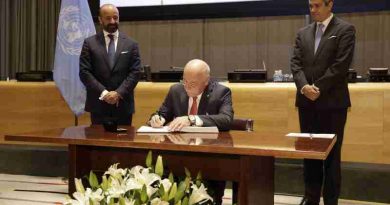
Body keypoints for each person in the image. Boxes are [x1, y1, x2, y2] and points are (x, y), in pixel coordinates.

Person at [290, 0, 355, 205]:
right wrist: (304, 87)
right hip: (306, 103)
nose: (313, 10)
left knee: (331, 157)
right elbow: (295, 64)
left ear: (330, 5)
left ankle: (330, 201)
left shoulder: (345, 29)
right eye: (310, 6)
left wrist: (316, 88)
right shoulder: (303, 33)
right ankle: (310, 198)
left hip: (332, 104)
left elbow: (340, 66)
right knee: (309, 155)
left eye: (318, 6)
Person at [149, 59, 234, 205]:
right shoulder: (176, 90)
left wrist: (192, 119)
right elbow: (161, 113)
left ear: (206, 82)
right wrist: (157, 119)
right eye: (184, 80)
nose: (187, 86)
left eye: (193, 83)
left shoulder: (221, 92)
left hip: (208, 158)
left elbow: (226, 120)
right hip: (178, 157)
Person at [79, 4, 141, 125]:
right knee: (98, 143)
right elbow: (84, 72)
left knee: (123, 143)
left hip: (123, 107)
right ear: (100, 20)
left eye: (115, 17)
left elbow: (135, 72)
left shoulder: (131, 44)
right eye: (108, 18)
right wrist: (105, 93)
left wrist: (118, 93)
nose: (112, 21)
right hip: (98, 106)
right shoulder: (89, 43)